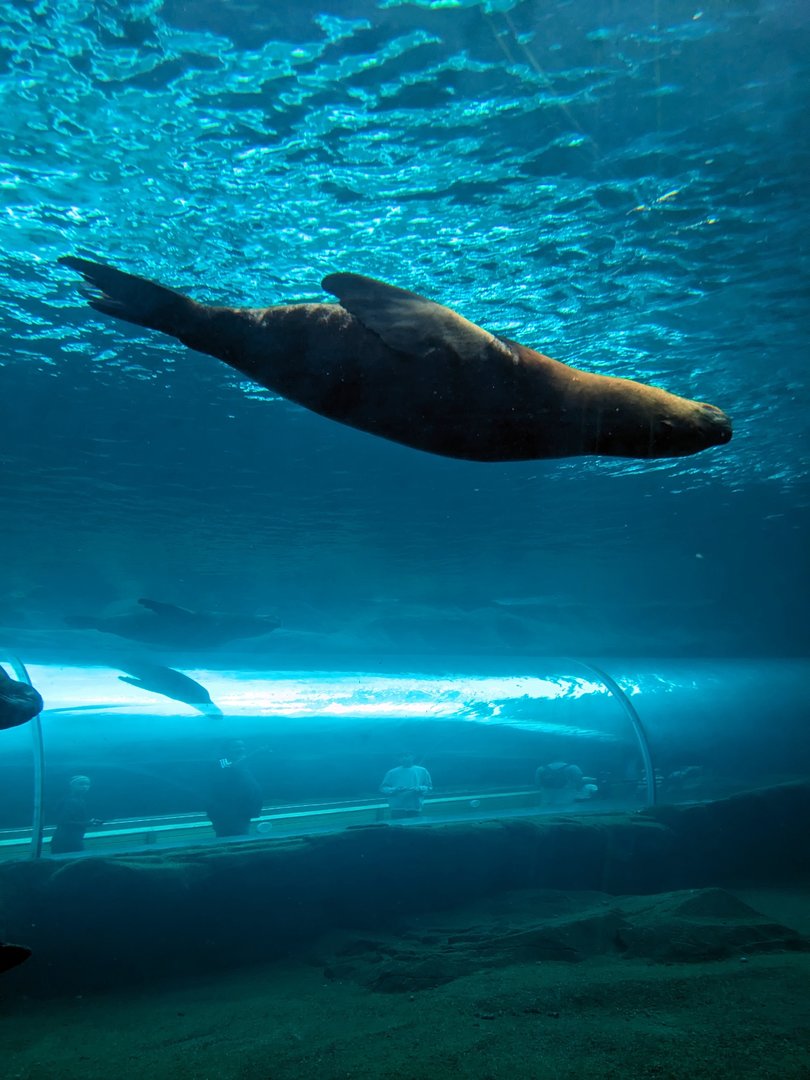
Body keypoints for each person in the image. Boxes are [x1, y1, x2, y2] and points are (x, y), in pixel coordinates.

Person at [206, 739, 263, 838]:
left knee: (242, 836)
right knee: (229, 838)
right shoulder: (221, 761)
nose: (241, 749)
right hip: (228, 813)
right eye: (236, 747)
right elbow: (233, 767)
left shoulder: (243, 765)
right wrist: (256, 753)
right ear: (226, 750)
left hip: (243, 812)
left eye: (242, 746)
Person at [50, 775, 102, 854]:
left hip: (72, 839)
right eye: (81, 784)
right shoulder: (70, 801)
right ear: (71, 786)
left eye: (87, 784)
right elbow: (64, 822)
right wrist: (88, 823)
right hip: (66, 841)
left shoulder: (79, 800)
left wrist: (90, 822)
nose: (85, 787)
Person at [380, 752, 433, 820]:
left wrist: (420, 788)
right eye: (401, 756)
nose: (404, 758)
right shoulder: (392, 772)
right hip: (397, 808)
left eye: (407, 755)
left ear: (413, 756)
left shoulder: (422, 771)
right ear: (398, 759)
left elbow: (429, 787)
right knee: (397, 826)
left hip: (415, 807)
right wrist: (395, 789)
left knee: (414, 825)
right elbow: (383, 788)